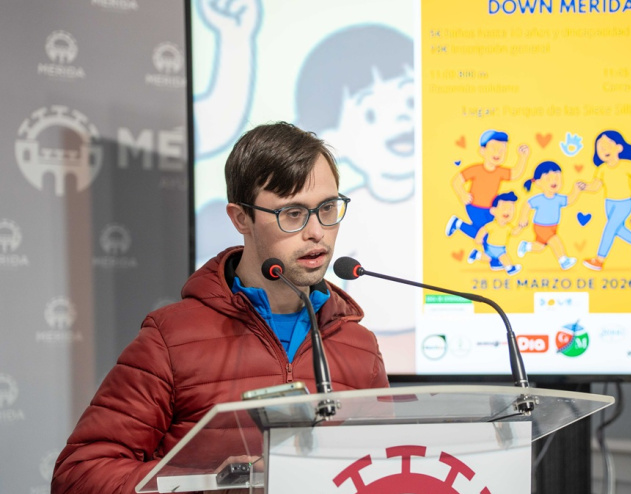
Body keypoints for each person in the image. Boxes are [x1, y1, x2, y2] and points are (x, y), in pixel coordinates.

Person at [52, 122, 389, 493]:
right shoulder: (172, 337)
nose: (317, 232)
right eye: (292, 213)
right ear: (240, 218)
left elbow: (387, 472)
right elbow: (79, 476)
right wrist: (211, 484)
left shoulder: (359, 347)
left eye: (327, 208)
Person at [446, 130, 530, 239]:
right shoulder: (476, 169)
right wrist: (462, 194)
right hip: (475, 206)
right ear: (482, 151)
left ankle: (458, 224)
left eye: (502, 150)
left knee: (493, 232)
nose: (498, 153)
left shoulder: (500, 172)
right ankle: (459, 224)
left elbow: (515, 174)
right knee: (487, 235)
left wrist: (523, 158)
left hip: (491, 209)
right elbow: (456, 181)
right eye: (493, 149)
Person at [582, 130, 631, 271]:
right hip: (609, 203)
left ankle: (599, 259)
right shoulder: (601, 169)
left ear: (619, 147)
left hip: (624, 202)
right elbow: (595, 186)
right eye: (600, 148)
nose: (603, 149)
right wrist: (584, 186)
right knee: (617, 228)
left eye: (607, 145)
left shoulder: (627, 165)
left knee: (610, 228)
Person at [515, 161, 586, 271]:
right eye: (548, 179)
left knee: (540, 246)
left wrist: (576, 190)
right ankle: (563, 260)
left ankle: (526, 246)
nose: (554, 181)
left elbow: (569, 200)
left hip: (553, 226)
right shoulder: (539, 199)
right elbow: (527, 205)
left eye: (557, 178)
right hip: (541, 226)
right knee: (554, 241)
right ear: (538, 183)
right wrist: (523, 217)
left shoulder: (558, 199)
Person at [468, 191, 524, 275]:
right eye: (503, 208)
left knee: (488, 258)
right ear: (493, 211)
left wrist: (520, 226)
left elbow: (514, 232)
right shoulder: (492, 225)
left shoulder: (508, 227)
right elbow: (483, 230)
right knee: (504, 257)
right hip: (494, 247)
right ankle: (510, 269)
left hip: (499, 247)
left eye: (510, 209)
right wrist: (478, 238)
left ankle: (477, 255)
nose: (507, 212)